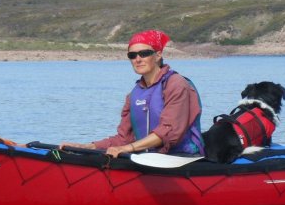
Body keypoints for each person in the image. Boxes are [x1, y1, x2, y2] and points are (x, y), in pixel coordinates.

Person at [60, 29, 204, 158]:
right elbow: (123, 139)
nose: (138, 59)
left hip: (181, 159)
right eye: (133, 55)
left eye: (145, 53)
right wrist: (87, 147)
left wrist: (127, 148)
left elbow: (168, 131)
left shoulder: (176, 84)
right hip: (149, 159)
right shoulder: (134, 94)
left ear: (158, 55)